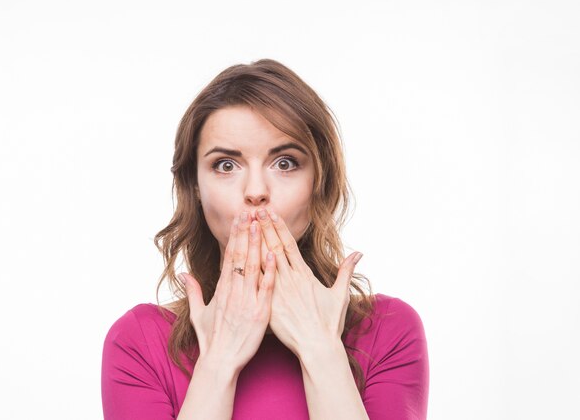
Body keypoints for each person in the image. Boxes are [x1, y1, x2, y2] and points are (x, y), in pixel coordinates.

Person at [101, 59, 429, 419]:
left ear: (320, 182)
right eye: (226, 165)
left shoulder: (388, 330)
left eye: (285, 162)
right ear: (195, 187)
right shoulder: (137, 343)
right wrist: (219, 362)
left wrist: (320, 350)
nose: (256, 191)